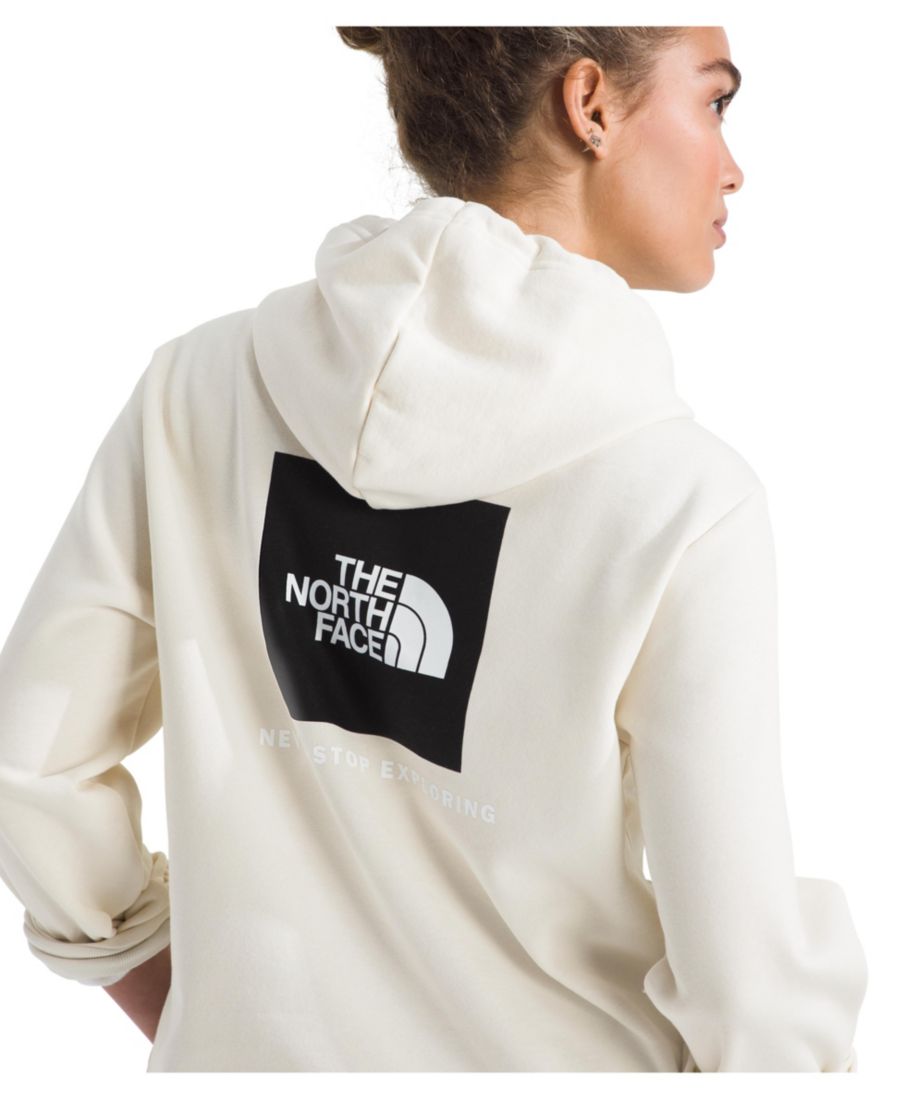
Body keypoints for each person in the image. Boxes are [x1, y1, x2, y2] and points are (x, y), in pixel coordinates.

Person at [0, 25, 867, 1072]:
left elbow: (28, 765)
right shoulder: (682, 504)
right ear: (590, 105)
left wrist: (208, 1020)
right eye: (715, 101)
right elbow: (751, 997)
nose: (734, 166)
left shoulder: (197, 392)